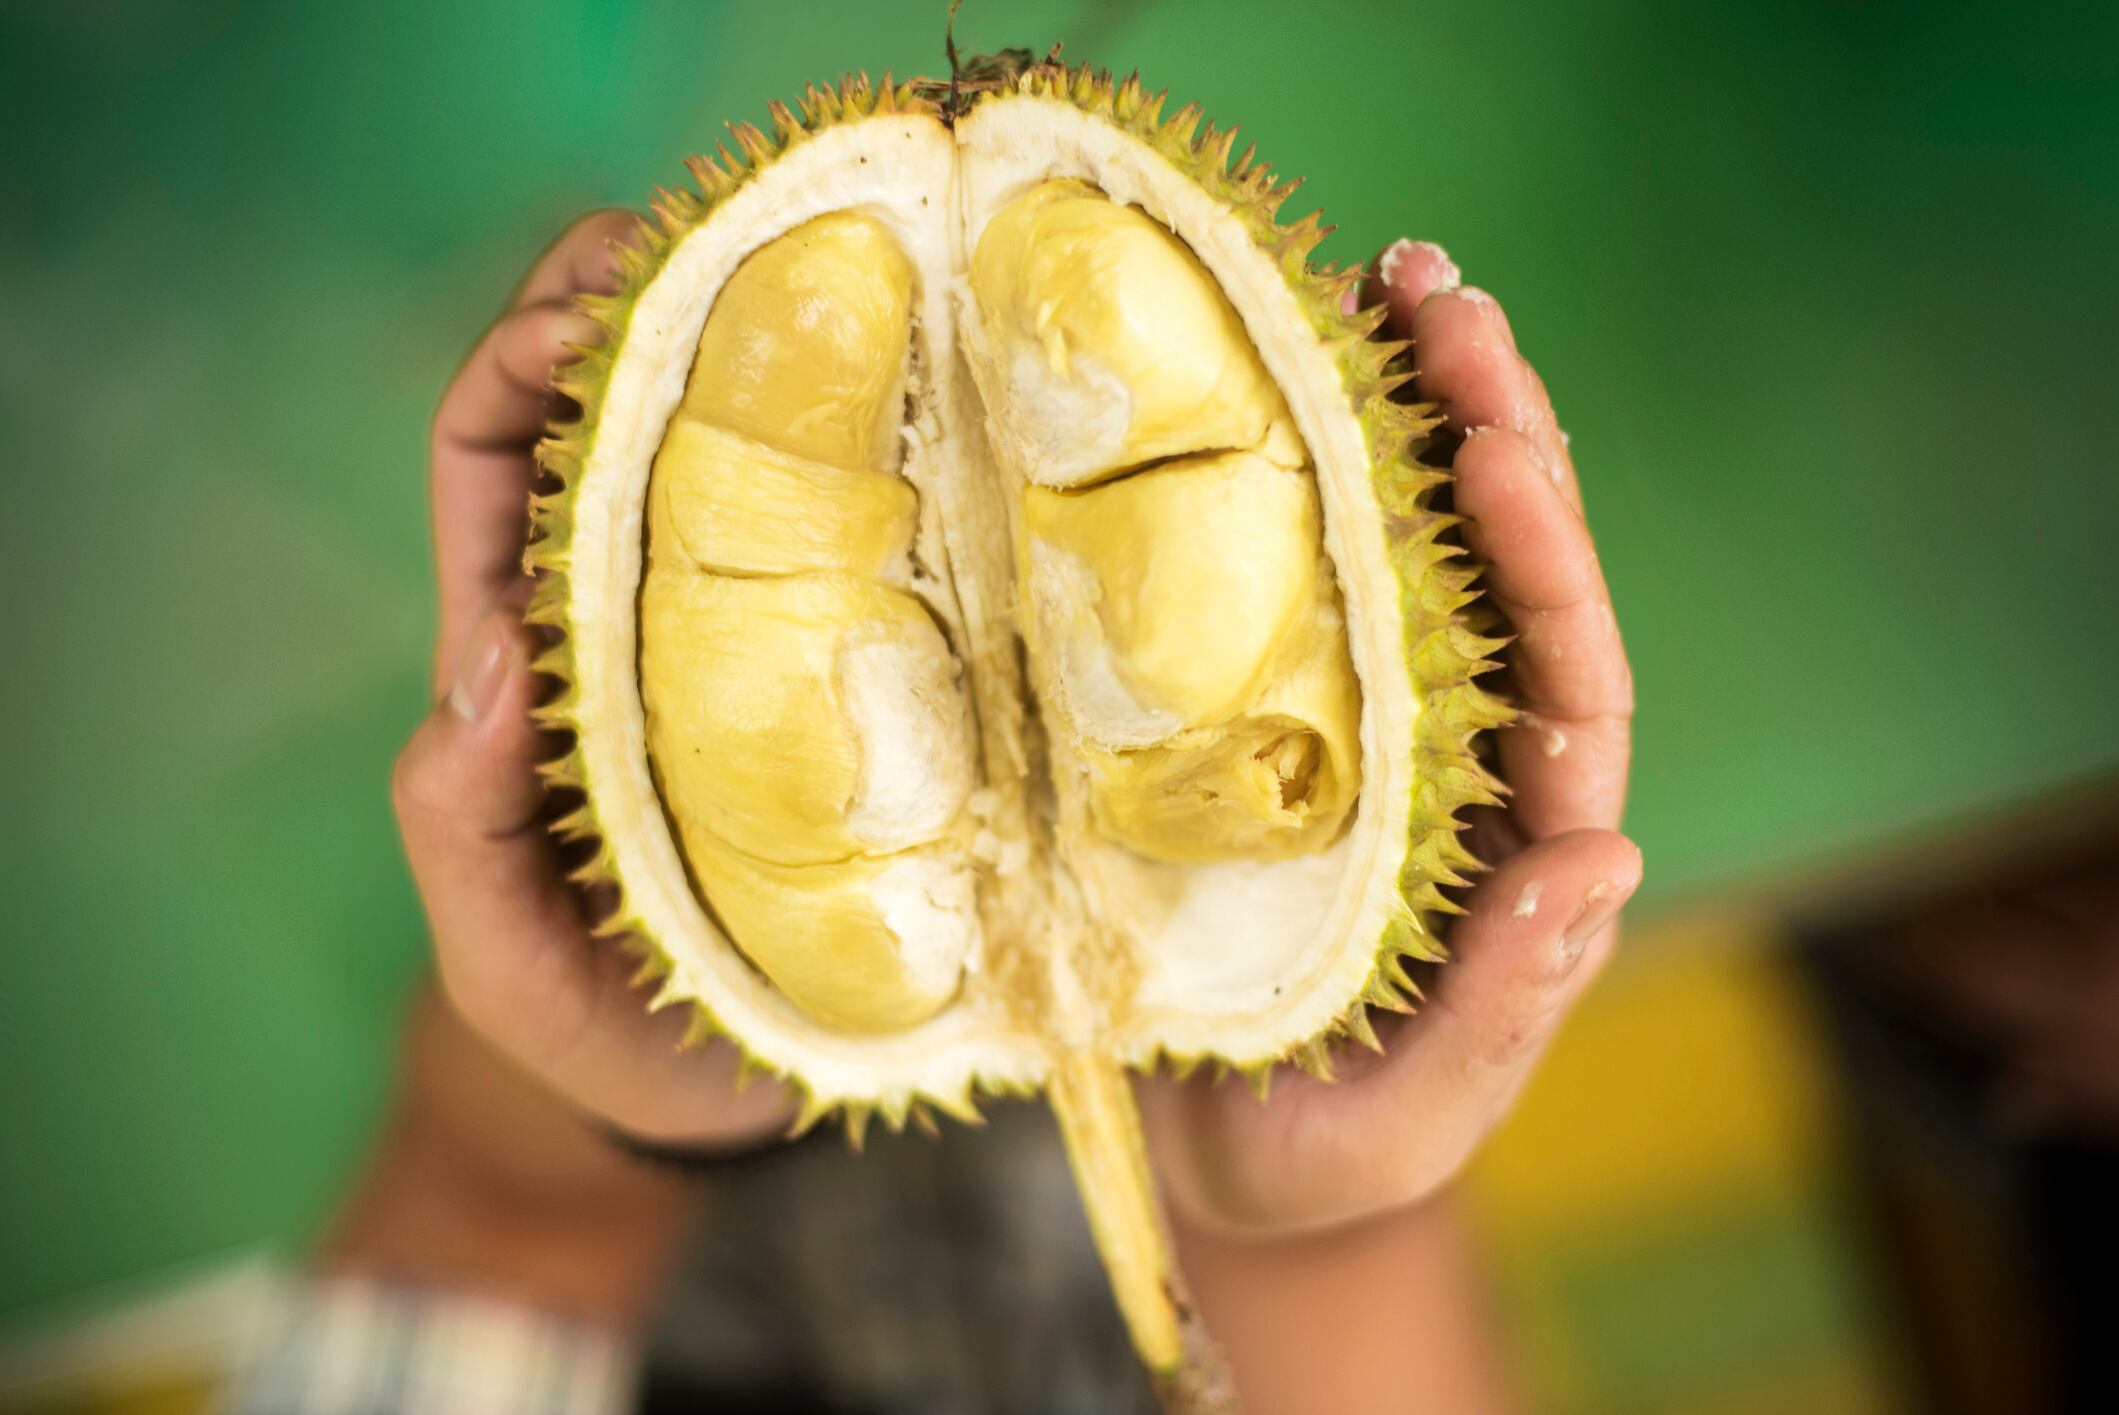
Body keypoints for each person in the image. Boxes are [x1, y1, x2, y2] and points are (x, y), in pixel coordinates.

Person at [224, 215, 1640, 1414]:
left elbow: (495, 1226)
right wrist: (1293, 1163)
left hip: (633, 1111)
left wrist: (618, 1044)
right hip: (1197, 1080)